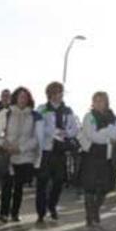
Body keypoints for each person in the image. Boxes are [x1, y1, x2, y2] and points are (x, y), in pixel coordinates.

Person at [0, 87, 43, 223]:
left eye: (25, 96)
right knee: (7, 185)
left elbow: (36, 138)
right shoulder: (6, 113)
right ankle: (3, 213)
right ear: (15, 98)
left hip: (25, 157)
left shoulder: (34, 116)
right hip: (8, 155)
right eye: (20, 96)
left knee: (19, 186)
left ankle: (15, 213)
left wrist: (21, 148)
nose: (22, 99)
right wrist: (4, 144)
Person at [36, 82, 80, 222]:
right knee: (42, 182)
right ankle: (41, 211)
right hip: (46, 151)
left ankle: (52, 205)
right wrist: (54, 132)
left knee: (58, 181)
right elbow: (39, 127)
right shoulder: (42, 109)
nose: (57, 95)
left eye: (59, 93)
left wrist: (65, 133)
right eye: (54, 93)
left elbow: (75, 128)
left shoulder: (68, 110)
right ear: (49, 94)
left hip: (60, 151)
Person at [79, 91, 116, 226]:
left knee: (105, 187)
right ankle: (89, 215)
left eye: (101, 100)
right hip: (91, 154)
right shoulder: (89, 116)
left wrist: (105, 132)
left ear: (106, 102)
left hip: (107, 156)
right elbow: (93, 136)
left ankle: (95, 209)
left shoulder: (114, 117)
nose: (98, 103)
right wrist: (108, 133)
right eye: (96, 100)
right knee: (90, 187)